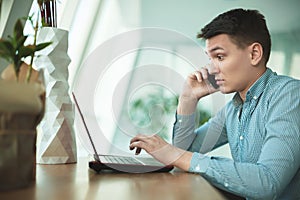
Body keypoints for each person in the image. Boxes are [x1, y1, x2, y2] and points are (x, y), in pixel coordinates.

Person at [129, 8, 300, 199]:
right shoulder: (234, 108)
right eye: (209, 59)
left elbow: (268, 182)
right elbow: (184, 154)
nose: (211, 69)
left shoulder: (290, 95)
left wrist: (175, 155)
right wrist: (188, 99)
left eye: (219, 57)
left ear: (254, 54)